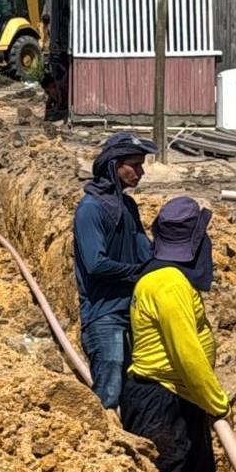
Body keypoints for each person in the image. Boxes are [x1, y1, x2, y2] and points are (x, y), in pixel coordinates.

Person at [120, 196, 230, 472]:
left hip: (179, 397)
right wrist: (217, 403)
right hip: (162, 403)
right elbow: (187, 353)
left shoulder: (164, 278)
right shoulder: (169, 284)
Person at [73, 132, 157, 409]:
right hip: (104, 312)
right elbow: (96, 264)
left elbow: (143, 249)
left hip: (133, 308)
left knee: (135, 385)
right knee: (109, 388)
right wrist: (138, 272)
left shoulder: (128, 206)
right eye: (134, 165)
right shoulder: (90, 210)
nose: (141, 172)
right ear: (113, 165)